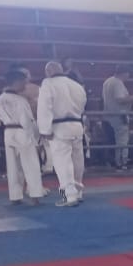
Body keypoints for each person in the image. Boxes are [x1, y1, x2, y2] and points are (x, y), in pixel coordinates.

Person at [37, 60, 88, 207]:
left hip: (59, 126)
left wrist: (45, 129)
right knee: (78, 159)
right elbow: (83, 104)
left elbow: (44, 107)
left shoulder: (48, 83)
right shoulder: (76, 85)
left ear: (48, 72)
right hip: (77, 124)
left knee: (62, 161)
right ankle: (78, 191)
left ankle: (69, 195)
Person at [0, 69, 44, 205]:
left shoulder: (0, 98)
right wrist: (35, 137)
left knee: (13, 166)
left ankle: (15, 196)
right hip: (23, 132)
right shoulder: (21, 100)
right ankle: (35, 194)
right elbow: (27, 121)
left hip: (8, 132)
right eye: (23, 82)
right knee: (31, 164)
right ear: (16, 82)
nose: (25, 85)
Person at [102, 65, 133, 170]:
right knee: (122, 140)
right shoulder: (117, 82)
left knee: (115, 140)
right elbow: (120, 99)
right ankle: (121, 162)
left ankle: (116, 161)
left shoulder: (107, 81)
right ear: (125, 73)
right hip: (119, 115)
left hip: (109, 114)